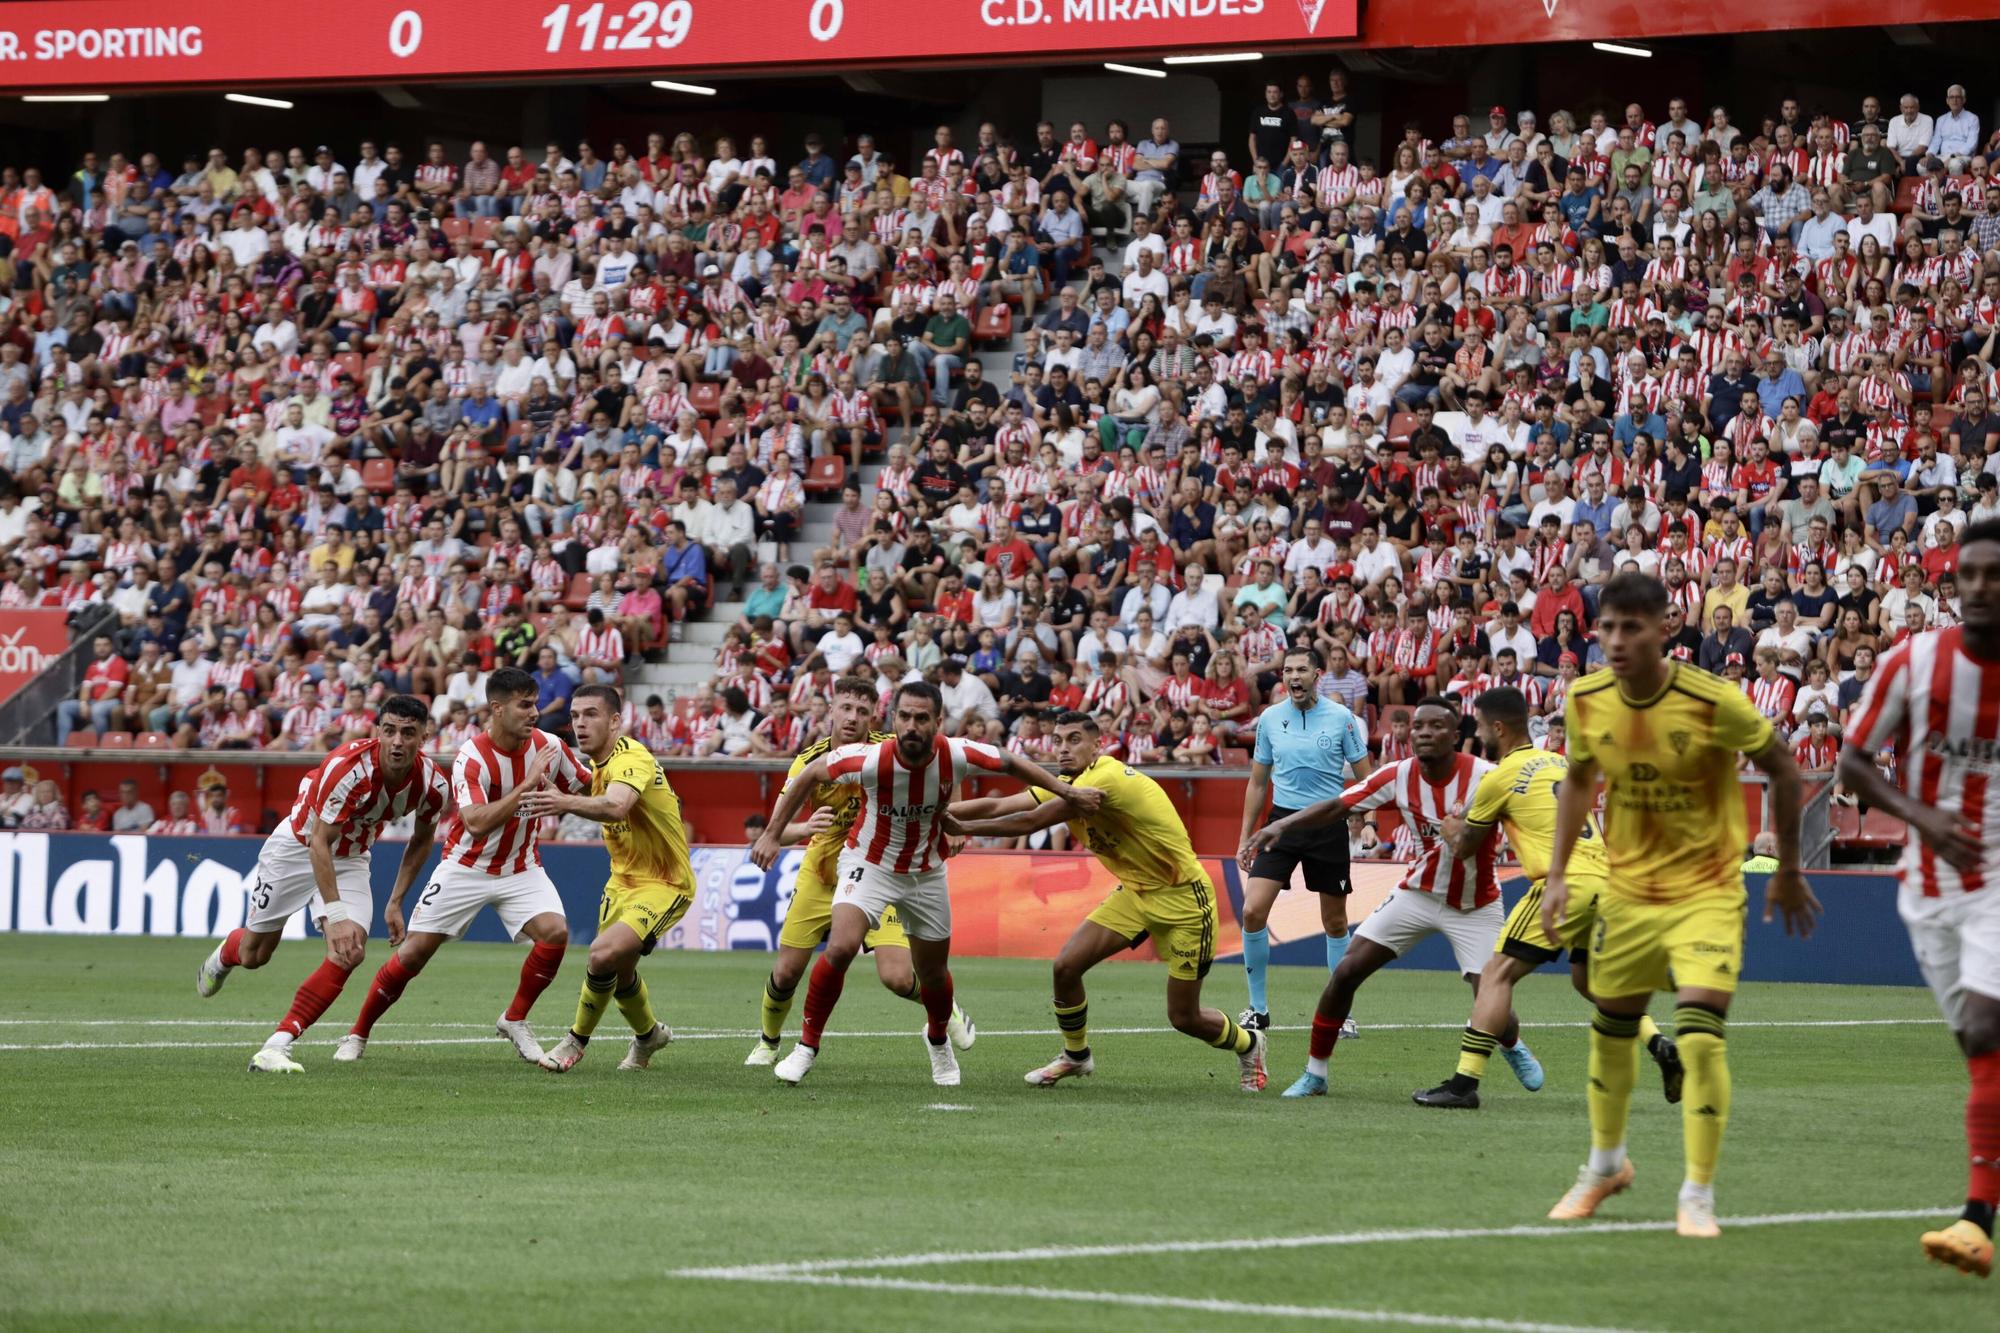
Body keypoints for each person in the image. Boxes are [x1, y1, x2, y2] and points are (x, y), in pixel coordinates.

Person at [1542, 572, 1816, 1238]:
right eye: (1606, 626)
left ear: (1666, 630)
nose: (1615, 639)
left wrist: (1786, 868)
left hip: (1707, 891)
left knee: (1697, 1032)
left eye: (1631, 627)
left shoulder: (1712, 699)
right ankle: (1605, 1163)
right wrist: (1555, 874)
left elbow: (1783, 765)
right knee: (1611, 1025)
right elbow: (1578, 779)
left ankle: (1697, 1193)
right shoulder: (1585, 698)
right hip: (1628, 892)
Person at [747, 682, 1099, 1086]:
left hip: (926, 872)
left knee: (929, 974)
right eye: (905, 717)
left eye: (921, 718)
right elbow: (809, 774)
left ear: (938, 722)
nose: (912, 726)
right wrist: (773, 834)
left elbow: (1011, 762)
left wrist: (1066, 791)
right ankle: (806, 1047)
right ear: (894, 719)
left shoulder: (957, 753)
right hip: (869, 864)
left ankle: (937, 1041)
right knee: (841, 946)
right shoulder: (868, 759)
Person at [1835, 519, 2000, 1278]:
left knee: (1982, 1025)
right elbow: (1856, 763)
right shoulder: (1914, 659)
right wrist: (1923, 815)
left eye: (1993, 574)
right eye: (1967, 574)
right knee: (1977, 1050)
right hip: (1928, 884)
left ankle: (1975, 1218)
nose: (1978, 587)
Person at [941, 711, 1267, 1090]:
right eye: (1059, 740)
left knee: (1183, 1016)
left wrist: (961, 828)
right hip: (1135, 893)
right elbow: (1002, 806)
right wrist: (931, 813)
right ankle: (1076, 1056)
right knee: (1065, 968)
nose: (1064, 748)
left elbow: (1030, 822)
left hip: (1183, 901)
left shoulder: (1104, 778)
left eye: (1074, 739)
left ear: (1098, 744)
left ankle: (1250, 1043)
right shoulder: (1068, 782)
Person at [1417, 687, 1683, 1109]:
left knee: (1496, 976)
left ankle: (1463, 1084)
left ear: (1498, 728)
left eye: (1482, 726)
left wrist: (1450, 826)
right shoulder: (1560, 763)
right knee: (1590, 981)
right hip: (1606, 880)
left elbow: (1465, 845)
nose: (1479, 732)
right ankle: (1658, 1044)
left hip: (1564, 885)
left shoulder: (1499, 776)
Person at [1243, 696, 1511, 1099]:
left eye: (1435, 726)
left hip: (1476, 901)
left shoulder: (1488, 777)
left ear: (1456, 736)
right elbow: (1339, 804)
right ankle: (1315, 1073)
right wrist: (1279, 827)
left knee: (1489, 990)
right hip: (1418, 893)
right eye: (1418, 726)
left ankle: (1512, 1047)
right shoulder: (1398, 773)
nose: (1423, 733)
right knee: (1348, 969)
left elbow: (1531, 818)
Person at [336, 667, 593, 1064]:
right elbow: (474, 822)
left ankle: (515, 1018)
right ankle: (357, 1034)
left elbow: (588, 786)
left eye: (535, 704)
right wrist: (528, 786)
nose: (535, 713)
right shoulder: (471, 756)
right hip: (465, 866)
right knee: (413, 954)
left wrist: (624, 785)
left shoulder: (549, 747)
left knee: (555, 933)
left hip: (521, 866)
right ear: (498, 708)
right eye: (525, 705)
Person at [195, 697, 449, 1073]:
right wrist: (336, 914)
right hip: (298, 847)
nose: (397, 741)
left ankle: (276, 1046)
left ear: (424, 737)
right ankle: (224, 955)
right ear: (377, 731)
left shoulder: (432, 785)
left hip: (351, 858)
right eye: (389, 730)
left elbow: (423, 840)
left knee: (350, 950)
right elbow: (318, 842)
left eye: (408, 733)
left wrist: (395, 901)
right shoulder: (346, 769)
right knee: (255, 954)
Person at [743, 678, 974, 1066]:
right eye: (845, 708)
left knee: (898, 978)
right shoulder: (809, 764)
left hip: (879, 871)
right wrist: (803, 828)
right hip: (821, 875)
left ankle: (943, 1005)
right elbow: (780, 828)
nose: (852, 718)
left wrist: (954, 817)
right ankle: (768, 1041)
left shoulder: (892, 751)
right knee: (785, 974)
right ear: (831, 710)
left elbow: (946, 766)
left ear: (875, 717)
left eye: (862, 711)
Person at [523, 686, 687, 1072]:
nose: (580, 723)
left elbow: (616, 806)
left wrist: (561, 802)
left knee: (600, 955)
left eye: (591, 714)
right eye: (576, 715)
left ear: (615, 721)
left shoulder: (631, 756)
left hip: (664, 882)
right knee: (621, 970)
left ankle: (574, 1041)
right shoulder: (598, 765)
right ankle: (649, 1037)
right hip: (621, 883)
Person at [1233, 647, 1372, 1034]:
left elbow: (1366, 776)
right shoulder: (1270, 719)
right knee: (1251, 912)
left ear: (1317, 674)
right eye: (1287, 670)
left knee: (1334, 921)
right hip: (1281, 826)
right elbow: (1258, 781)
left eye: (1300, 670)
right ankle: (1257, 1009)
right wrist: (1246, 836)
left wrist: (1370, 819)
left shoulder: (1342, 718)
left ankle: (1340, 1013)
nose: (1293, 676)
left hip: (1328, 825)